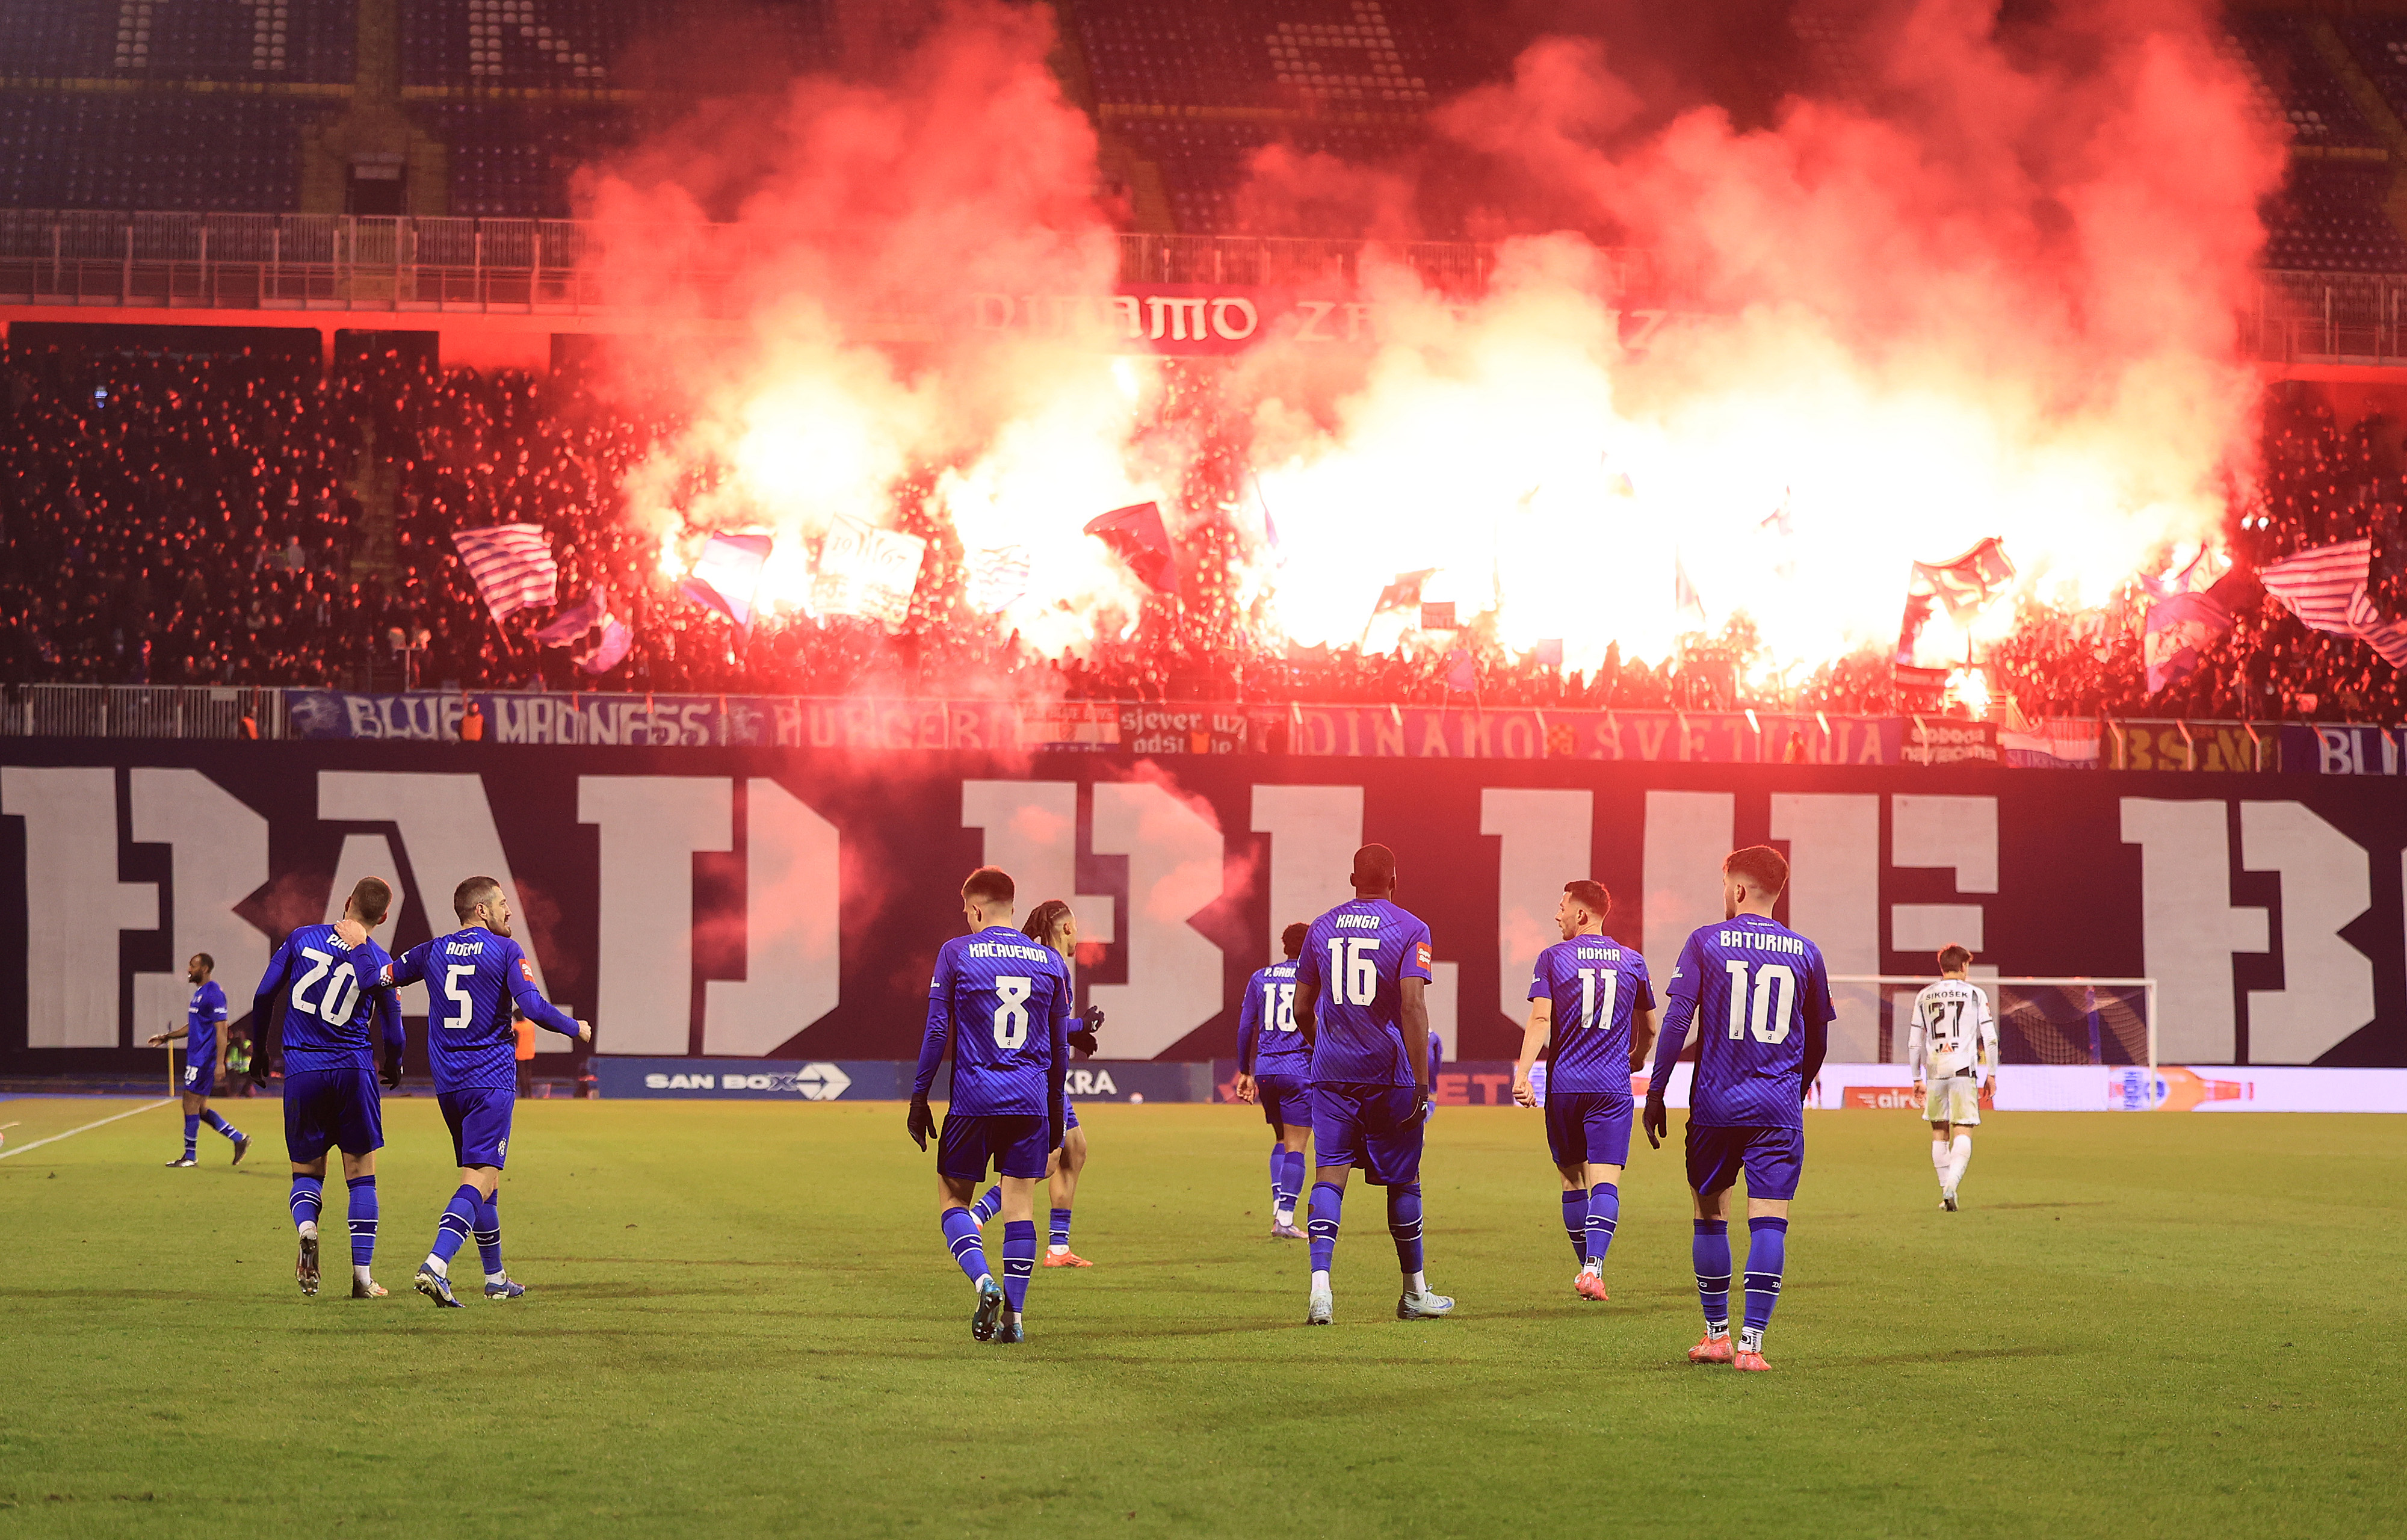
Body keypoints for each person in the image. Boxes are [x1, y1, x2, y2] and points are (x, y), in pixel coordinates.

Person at [1643, 846, 1833, 1372]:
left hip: (1714, 1107)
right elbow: (1817, 1041)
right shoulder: (1806, 952)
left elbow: (1678, 1023)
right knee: (1770, 1219)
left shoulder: (1705, 941)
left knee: (1710, 1214)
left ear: (1739, 889)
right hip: (1776, 1108)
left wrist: (1657, 1091)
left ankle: (1716, 1335)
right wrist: (1794, 1090)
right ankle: (1753, 1345)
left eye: (1725, 884)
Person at [381, 876, 590, 1307]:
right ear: (481, 910)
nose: (508, 910)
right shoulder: (506, 950)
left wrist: (355, 940)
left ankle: (495, 1278)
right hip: (490, 1081)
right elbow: (531, 1007)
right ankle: (436, 1264)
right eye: (501, 902)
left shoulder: (432, 950)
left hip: (449, 1086)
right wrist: (575, 1027)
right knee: (478, 1177)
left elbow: (382, 976)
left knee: (487, 1180)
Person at [909, 867, 1072, 1344]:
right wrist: (1056, 1111)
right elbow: (1060, 1049)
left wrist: (920, 1097)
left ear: (976, 908)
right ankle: (1015, 1320)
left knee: (953, 1198)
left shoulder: (956, 952)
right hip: (1029, 1100)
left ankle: (984, 1282)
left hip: (974, 1098)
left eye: (966, 911)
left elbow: (938, 1030)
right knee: (1020, 1205)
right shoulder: (1048, 961)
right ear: (1012, 905)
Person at [1292, 843, 1451, 1326]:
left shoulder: (1320, 927)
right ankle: (1414, 1293)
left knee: (1330, 1174)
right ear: (1394, 880)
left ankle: (1321, 1290)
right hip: (1389, 1074)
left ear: (1352, 879)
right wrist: (1423, 1082)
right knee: (1404, 1178)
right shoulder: (1411, 928)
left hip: (1333, 1074)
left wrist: (1322, 1044)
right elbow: (1411, 1006)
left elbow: (1301, 1008)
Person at [252, 879, 404, 1298]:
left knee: (307, 1172)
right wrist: (395, 1062)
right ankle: (362, 1277)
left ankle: (307, 1227)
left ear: (347, 901)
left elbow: (264, 994)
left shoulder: (302, 938)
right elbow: (393, 1025)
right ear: (384, 916)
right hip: (354, 1070)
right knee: (361, 1175)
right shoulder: (377, 958)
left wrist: (261, 1050)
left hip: (303, 1070)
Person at [1512, 880, 1657, 1302]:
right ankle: (1594, 1268)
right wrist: (1636, 1056)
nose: (1557, 915)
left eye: (1561, 908)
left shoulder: (1553, 959)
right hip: (1612, 1086)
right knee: (1605, 1181)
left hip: (1566, 1086)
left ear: (1581, 914)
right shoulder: (1633, 961)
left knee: (1572, 1180)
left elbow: (1541, 1020)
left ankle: (1587, 1269)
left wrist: (1523, 1075)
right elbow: (1649, 1027)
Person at [1235, 922, 1312, 1238]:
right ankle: (1285, 1218)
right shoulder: (1314, 981)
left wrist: (1245, 1071)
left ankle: (1279, 1208)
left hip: (1267, 1070)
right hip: (1299, 1070)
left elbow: (1245, 1028)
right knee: (1297, 1145)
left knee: (1280, 1139)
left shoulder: (1260, 977)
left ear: (1284, 947)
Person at [1909, 945, 1998, 1211]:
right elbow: (1990, 1038)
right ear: (1963, 966)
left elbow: (1915, 1043)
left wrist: (1916, 1078)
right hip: (1962, 1072)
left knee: (1939, 1132)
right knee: (1963, 1129)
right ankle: (1952, 1186)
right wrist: (1991, 1073)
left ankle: (1945, 1189)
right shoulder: (1975, 994)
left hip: (1935, 1071)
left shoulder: (1924, 995)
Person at [146, 951, 251, 1167]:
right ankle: (239, 1139)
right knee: (200, 1109)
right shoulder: (200, 994)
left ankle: (190, 1156)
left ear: (204, 969)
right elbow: (193, 1026)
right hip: (197, 1056)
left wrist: (221, 1062)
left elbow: (222, 1030)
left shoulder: (214, 994)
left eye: (193, 966)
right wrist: (166, 1037)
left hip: (205, 1058)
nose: (189, 970)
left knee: (189, 1102)